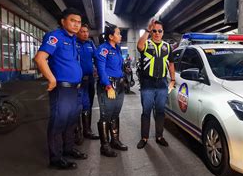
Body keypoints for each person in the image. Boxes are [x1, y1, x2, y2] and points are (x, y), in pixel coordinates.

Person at [34, 8, 88, 170]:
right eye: (72, 20)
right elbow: (40, 58)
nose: (76, 24)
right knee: (58, 122)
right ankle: (56, 158)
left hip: (75, 89)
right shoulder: (55, 36)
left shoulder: (73, 39)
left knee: (71, 121)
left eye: (78, 22)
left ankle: (68, 149)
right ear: (63, 21)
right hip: (62, 89)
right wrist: (51, 79)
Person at [136, 19, 175, 149]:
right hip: (148, 83)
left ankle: (159, 136)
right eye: (154, 31)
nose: (157, 33)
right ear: (151, 32)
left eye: (159, 31)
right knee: (146, 111)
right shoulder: (146, 44)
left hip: (162, 83)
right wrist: (147, 30)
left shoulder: (168, 47)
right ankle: (144, 137)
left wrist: (173, 79)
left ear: (163, 32)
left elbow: (171, 64)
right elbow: (139, 46)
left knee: (160, 111)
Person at [95, 24, 128, 157]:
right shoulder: (103, 49)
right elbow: (101, 69)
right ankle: (105, 146)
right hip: (108, 85)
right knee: (106, 115)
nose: (120, 35)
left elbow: (119, 66)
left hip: (119, 85)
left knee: (115, 114)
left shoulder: (118, 48)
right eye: (118, 33)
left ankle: (114, 141)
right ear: (110, 36)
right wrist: (108, 86)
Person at [75, 24, 99, 143]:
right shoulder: (73, 43)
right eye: (82, 31)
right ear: (77, 32)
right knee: (77, 106)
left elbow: (97, 58)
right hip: (77, 81)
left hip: (89, 79)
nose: (85, 33)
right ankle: (77, 133)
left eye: (86, 31)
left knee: (88, 105)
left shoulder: (90, 44)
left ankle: (87, 130)